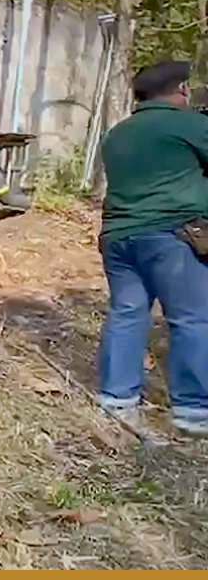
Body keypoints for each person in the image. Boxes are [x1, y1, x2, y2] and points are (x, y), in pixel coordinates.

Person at [97, 60, 208, 436]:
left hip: (118, 236)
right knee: (191, 318)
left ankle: (117, 399)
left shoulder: (117, 133)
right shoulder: (189, 124)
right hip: (172, 236)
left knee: (127, 315)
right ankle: (193, 410)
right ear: (180, 90)